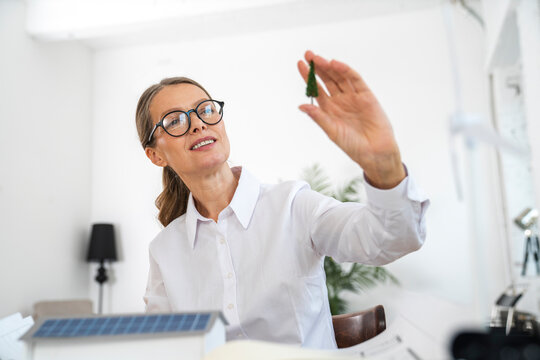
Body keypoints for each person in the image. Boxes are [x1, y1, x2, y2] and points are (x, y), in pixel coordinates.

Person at [136, 50, 429, 349]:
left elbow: (390, 239)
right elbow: (159, 348)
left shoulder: (292, 205)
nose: (198, 124)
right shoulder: (164, 251)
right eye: (174, 121)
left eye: (205, 110)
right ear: (155, 155)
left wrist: (385, 168)